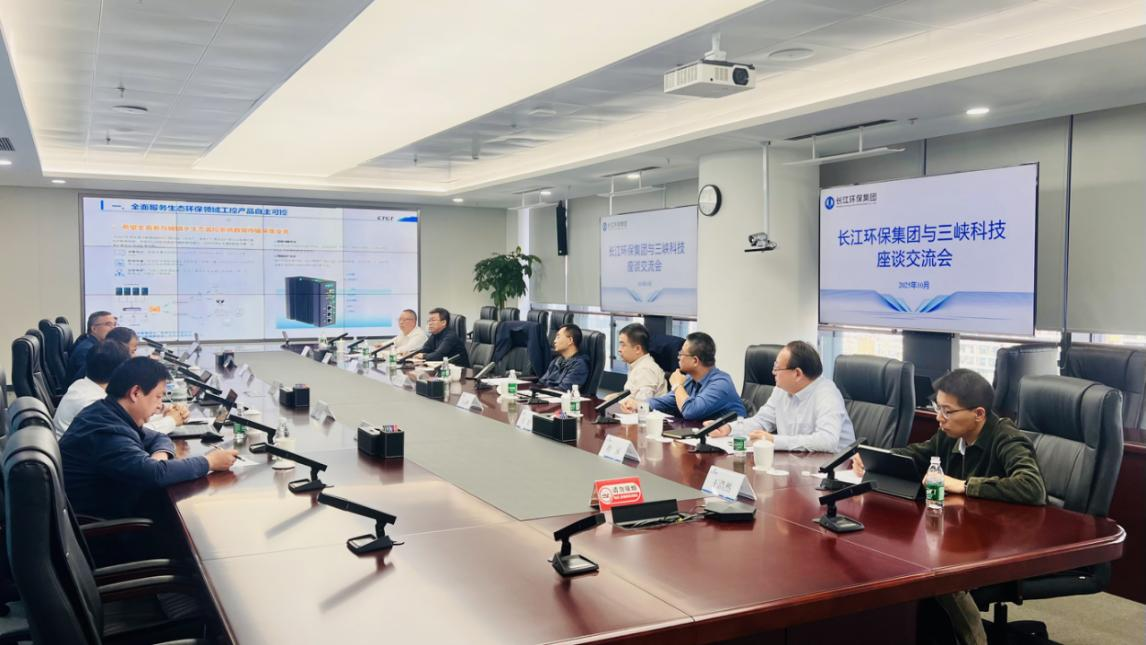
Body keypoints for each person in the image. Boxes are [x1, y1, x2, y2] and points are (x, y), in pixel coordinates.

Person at [851, 368, 1045, 645]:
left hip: (1006, 541)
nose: (939, 418)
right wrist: (877, 459)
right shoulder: (950, 433)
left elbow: (1032, 487)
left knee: (938, 572)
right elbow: (919, 454)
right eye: (937, 408)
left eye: (947, 411)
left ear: (978, 413)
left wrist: (964, 485)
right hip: (966, 533)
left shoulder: (1006, 437)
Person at [59, 357, 238, 519]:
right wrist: (209, 462)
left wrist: (160, 455)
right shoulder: (106, 431)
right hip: (106, 528)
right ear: (135, 393)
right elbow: (154, 474)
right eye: (158, 397)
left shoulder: (108, 412)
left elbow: (158, 437)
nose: (160, 406)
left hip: (113, 506)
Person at [711, 340, 855, 452]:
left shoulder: (827, 394)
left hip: (833, 470)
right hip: (795, 462)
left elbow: (827, 441)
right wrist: (729, 428)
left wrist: (774, 441)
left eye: (777, 368)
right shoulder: (781, 390)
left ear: (797, 373)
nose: (773, 373)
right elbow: (761, 421)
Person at [53, 339, 190, 437]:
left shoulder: (81, 385)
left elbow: (129, 423)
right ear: (120, 372)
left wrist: (163, 413)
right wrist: (170, 421)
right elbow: (131, 433)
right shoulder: (92, 403)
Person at [626, 332, 745, 420]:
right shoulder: (690, 379)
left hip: (733, 442)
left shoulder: (721, 383)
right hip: (703, 437)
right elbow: (666, 402)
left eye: (682, 353)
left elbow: (690, 411)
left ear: (695, 361)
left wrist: (677, 385)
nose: (678, 357)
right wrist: (638, 405)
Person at [616, 323, 668, 401]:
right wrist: (616, 396)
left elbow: (641, 405)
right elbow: (633, 394)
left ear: (637, 349)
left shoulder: (645, 370)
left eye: (623, 345)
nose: (619, 350)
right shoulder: (639, 365)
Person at [66, 310, 117, 382]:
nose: (113, 328)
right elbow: (89, 379)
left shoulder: (96, 346)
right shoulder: (87, 350)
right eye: (108, 324)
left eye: (114, 324)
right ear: (94, 329)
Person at [537, 324, 589, 392]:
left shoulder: (579, 365)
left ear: (570, 340)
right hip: (544, 395)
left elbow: (563, 390)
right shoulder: (556, 361)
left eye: (558, 337)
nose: (554, 341)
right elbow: (541, 383)